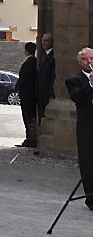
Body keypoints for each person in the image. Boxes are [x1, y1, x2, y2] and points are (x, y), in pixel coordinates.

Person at [64, 47, 93, 211]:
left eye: (92, 58)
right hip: (88, 128)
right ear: (79, 62)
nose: (90, 62)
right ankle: (91, 198)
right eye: (85, 59)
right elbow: (77, 97)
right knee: (88, 162)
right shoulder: (73, 80)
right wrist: (90, 83)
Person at [16, 42, 38, 148]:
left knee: (29, 116)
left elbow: (23, 78)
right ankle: (30, 137)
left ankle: (31, 138)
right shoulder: (34, 61)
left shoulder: (30, 62)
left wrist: (17, 86)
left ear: (26, 50)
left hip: (27, 95)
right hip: (29, 95)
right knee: (30, 116)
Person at [38, 31, 56, 121]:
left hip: (47, 94)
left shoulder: (54, 56)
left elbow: (53, 76)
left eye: (46, 41)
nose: (43, 43)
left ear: (52, 42)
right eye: (42, 41)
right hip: (41, 93)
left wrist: (51, 95)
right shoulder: (44, 55)